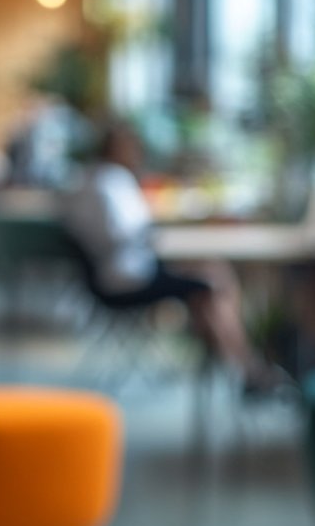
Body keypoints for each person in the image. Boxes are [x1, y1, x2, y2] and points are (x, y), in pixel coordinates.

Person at [62, 122, 278, 391]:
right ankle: (245, 365)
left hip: (113, 273)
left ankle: (239, 361)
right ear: (118, 149)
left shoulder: (87, 179)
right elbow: (123, 233)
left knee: (210, 272)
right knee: (211, 283)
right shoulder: (112, 183)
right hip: (127, 278)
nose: (136, 154)